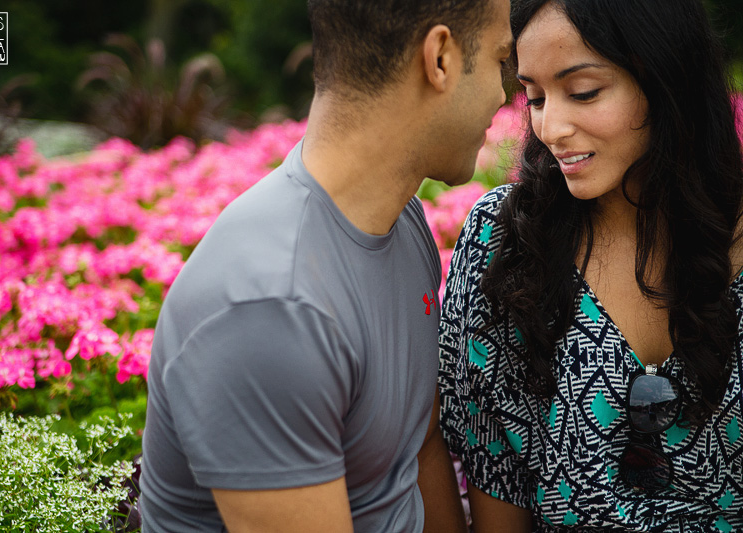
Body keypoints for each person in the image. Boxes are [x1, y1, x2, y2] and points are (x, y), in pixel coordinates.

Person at [139, 0, 513, 530]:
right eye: (501, 59)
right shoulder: (271, 307)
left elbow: (420, 450)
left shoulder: (398, 221)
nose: (504, 95)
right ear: (441, 59)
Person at [438, 0, 743, 530]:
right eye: (533, 96)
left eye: (583, 92)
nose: (550, 127)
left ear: (665, 76)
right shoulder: (506, 244)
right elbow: (497, 478)